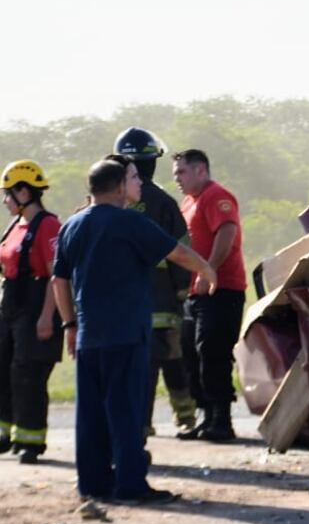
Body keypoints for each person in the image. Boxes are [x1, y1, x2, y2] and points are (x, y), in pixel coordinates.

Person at [52, 158, 216, 503]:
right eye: (132, 178)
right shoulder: (130, 222)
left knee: (91, 414)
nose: (139, 183)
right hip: (125, 334)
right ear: (116, 187)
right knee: (126, 411)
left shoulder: (71, 225)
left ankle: (94, 485)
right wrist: (206, 269)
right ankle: (131, 485)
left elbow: (60, 279)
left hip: (89, 337)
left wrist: (69, 324)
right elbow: (178, 252)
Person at [113, 128, 197, 438]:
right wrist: (182, 291)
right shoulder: (163, 201)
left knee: (141, 366)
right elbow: (183, 249)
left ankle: (142, 422)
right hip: (162, 300)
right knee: (172, 359)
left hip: (126, 303)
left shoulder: (115, 202)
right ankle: (186, 417)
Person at [172, 149, 246, 442]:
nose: (177, 178)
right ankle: (205, 416)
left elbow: (227, 231)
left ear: (200, 170)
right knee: (191, 352)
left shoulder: (217, 196)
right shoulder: (189, 202)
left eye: (182, 172)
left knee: (212, 351)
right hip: (195, 293)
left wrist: (208, 270)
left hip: (221, 289)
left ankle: (222, 421)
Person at [0, 160, 63, 464]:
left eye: (8, 194)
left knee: (28, 374)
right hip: (12, 307)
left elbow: (56, 275)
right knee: (5, 369)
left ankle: (31, 440)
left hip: (36, 307)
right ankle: (5, 433)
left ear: (24, 192)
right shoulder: (16, 226)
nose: (5, 200)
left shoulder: (48, 225)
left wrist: (46, 316)